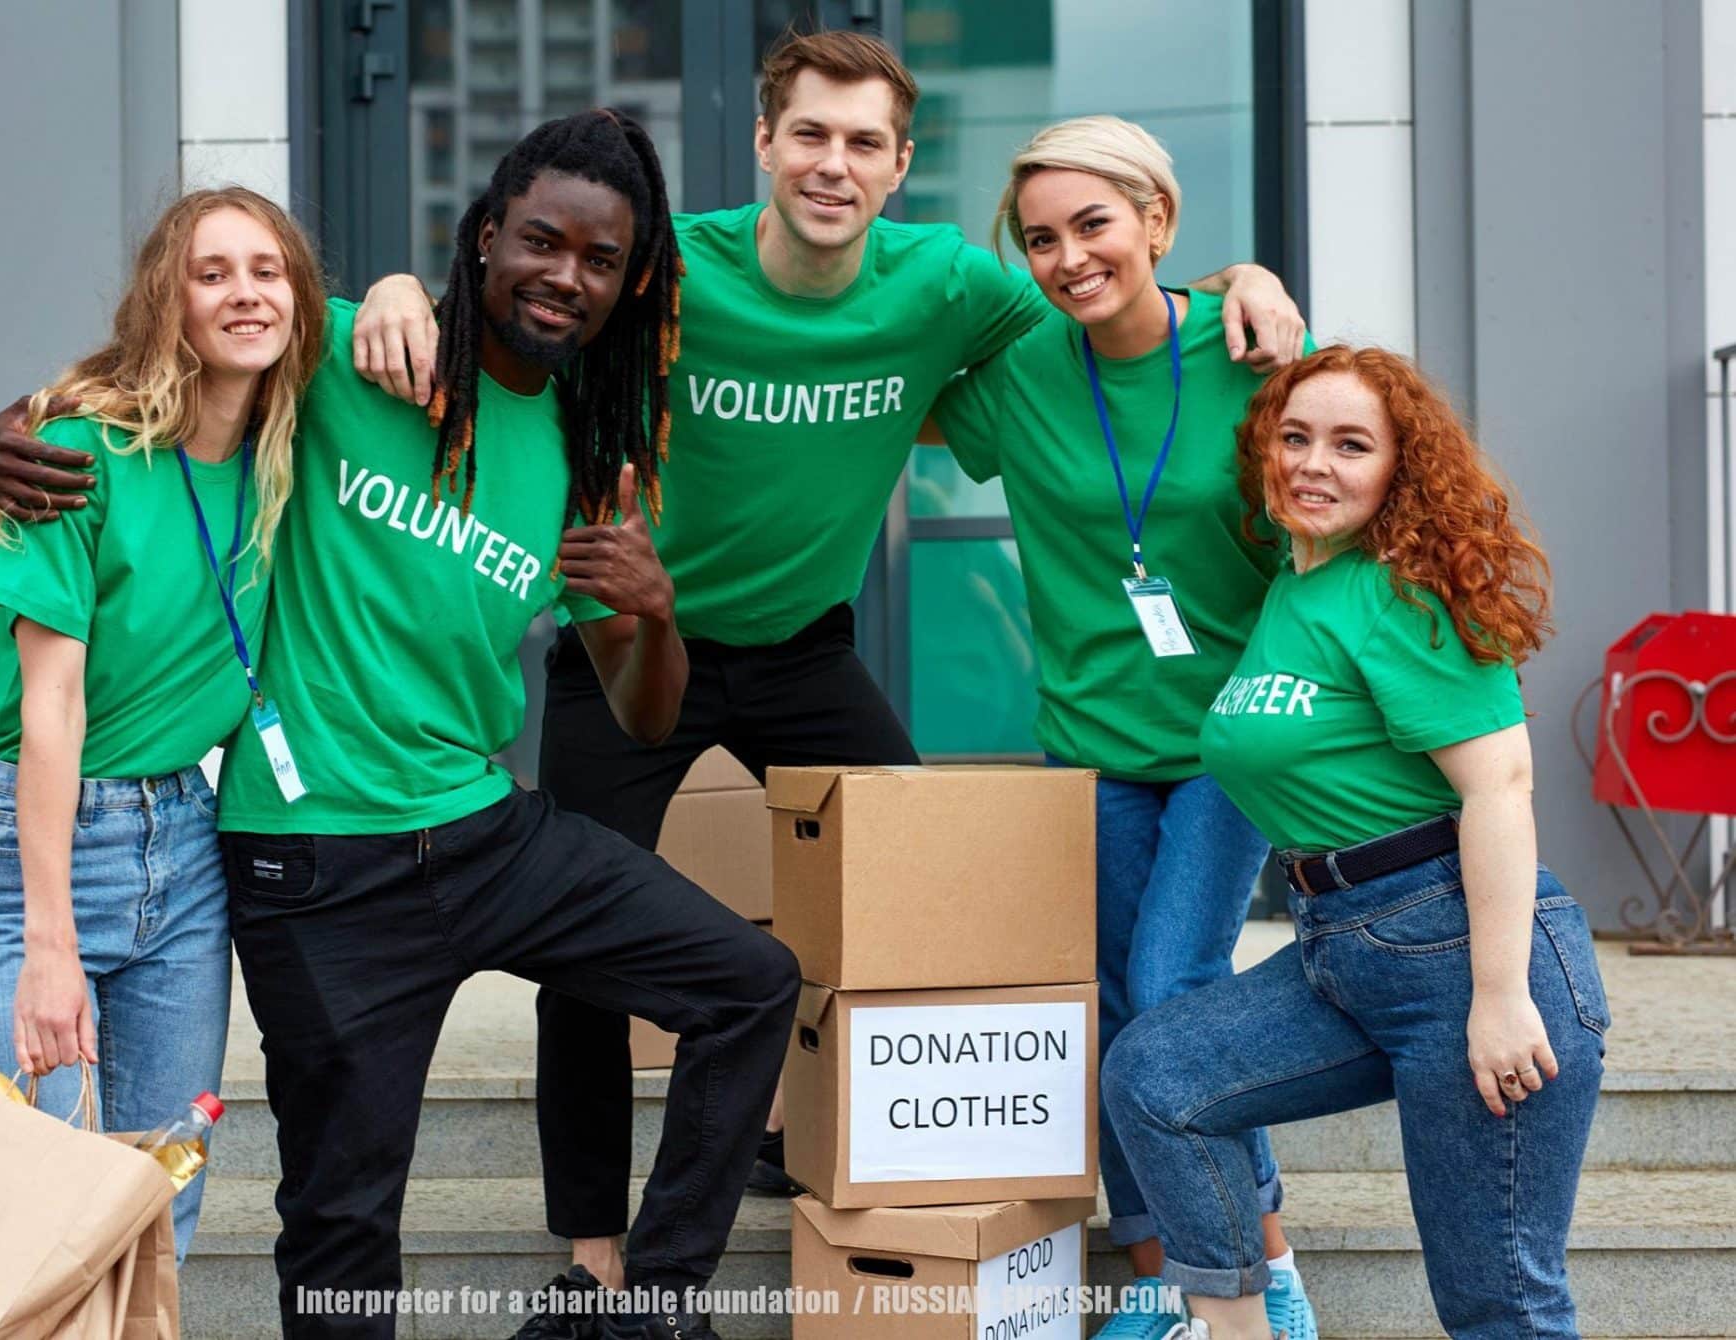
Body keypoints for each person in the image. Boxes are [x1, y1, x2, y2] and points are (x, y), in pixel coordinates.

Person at [336, 35, 1309, 1332]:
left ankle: (858, 1154)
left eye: (862, 143)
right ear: (762, 143)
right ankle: (599, 1255)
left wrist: (1241, 282)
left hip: (803, 652)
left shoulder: (953, 287)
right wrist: (404, 286)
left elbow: (1116, 311)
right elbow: (528, 303)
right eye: (809, 135)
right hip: (628, 649)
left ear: (901, 165)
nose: (832, 164)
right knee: (578, 958)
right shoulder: (671, 272)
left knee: (929, 902)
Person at [0, 111, 797, 1340]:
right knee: (345, 1216)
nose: (566, 274)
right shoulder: (350, 347)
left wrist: (657, 614)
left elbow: (644, 712)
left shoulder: (586, 448)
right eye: (540, 240)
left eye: (601, 259)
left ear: (631, 286)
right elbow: (162, 371)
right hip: (313, 862)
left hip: (483, 832)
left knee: (749, 984)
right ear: (485, 241)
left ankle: (653, 1309)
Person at [1101, 346, 1607, 1340]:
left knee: (1498, 1303)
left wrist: (1499, 998)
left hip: (1464, 949)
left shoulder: (1405, 591)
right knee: (1156, 1074)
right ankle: (1241, 1323)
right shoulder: (1293, 589)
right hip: (1343, 946)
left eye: (1350, 444)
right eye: (1295, 437)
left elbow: (1501, 785)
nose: (1314, 463)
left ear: (1397, 468)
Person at [923, 116, 1316, 1340]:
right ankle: (1156, 1265)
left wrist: (1250, 280)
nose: (1067, 257)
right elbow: (883, 405)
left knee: (1174, 986)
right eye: (1039, 238)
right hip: (1089, 740)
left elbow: (1340, 494)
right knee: (1111, 998)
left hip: (1228, 737)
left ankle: (1262, 1261)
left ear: (1158, 220)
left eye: (1093, 223)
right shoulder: (1021, 371)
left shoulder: (1253, 348)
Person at [0, 185, 325, 1262]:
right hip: (34, 852)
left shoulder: (294, 446)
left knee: (157, 1200)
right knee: (31, 1207)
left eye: (267, 269)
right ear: (170, 303)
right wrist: (49, 943)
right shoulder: (76, 448)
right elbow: (51, 702)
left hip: (184, 846)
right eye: (213, 273)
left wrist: (395, 290)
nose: (245, 292)